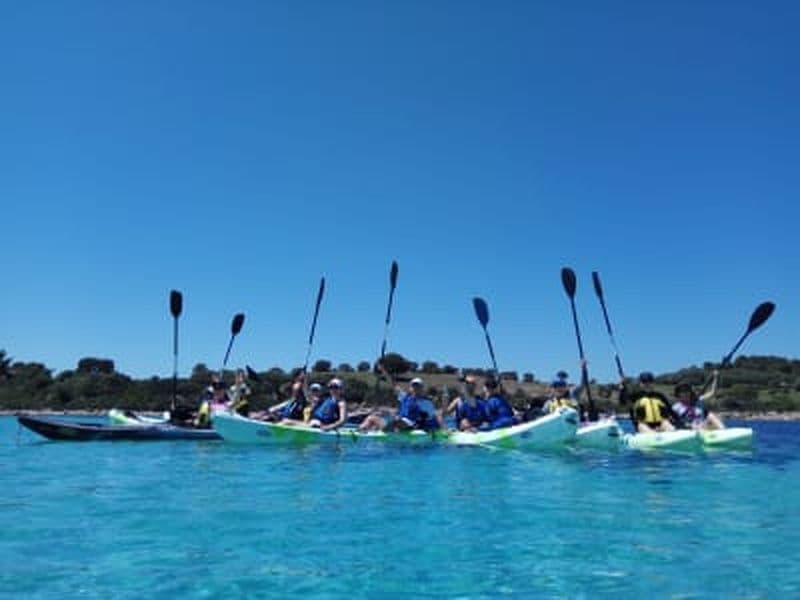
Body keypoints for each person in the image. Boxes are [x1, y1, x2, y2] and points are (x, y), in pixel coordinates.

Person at [360, 376, 440, 432]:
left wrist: (438, 429)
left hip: (412, 425)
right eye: (414, 386)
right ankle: (360, 431)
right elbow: (393, 384)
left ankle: (380, 431)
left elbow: (433, 418)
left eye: (418, 386)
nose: (416, 388)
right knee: (371, 418)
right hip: (399, 423)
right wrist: (383, 370)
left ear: (422, 388)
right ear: (410, 388)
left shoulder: (426, 402)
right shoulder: (404, 397)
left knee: (396, 421)